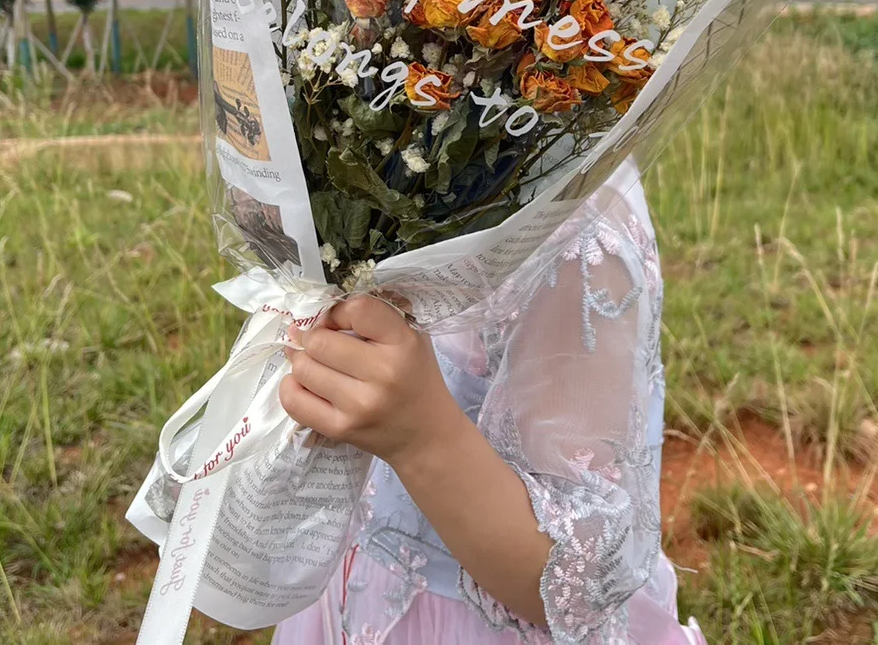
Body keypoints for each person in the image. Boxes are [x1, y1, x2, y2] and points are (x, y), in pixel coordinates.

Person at [272, 164, 706, 645]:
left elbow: (575, 588)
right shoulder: (405, 165)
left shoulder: (575, 238)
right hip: (355, 581)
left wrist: (420, 437)